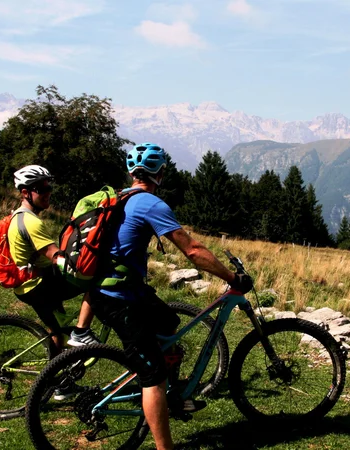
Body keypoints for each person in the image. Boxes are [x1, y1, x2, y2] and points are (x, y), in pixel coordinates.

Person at [86, 143, 253, 450]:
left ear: (132, 173)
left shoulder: (120, 197)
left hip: (110, 289)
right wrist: (231, 277)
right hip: (119, 296)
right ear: (160, 173)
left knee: (168, 320)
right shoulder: (150, 203)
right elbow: (192, 250)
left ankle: (174, 393)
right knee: (152, 375)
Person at [9, 166, 99, 361]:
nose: (48, 193)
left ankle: (58, 378)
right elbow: (57, 258)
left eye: (49, 187)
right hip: (40, 285)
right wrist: (85, 266)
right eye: (42, 189)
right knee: (98, 282)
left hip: (28, 285)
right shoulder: (31, 222)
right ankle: (82, 334)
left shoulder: (19, 217)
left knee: (58, 333)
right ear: (25, 193)